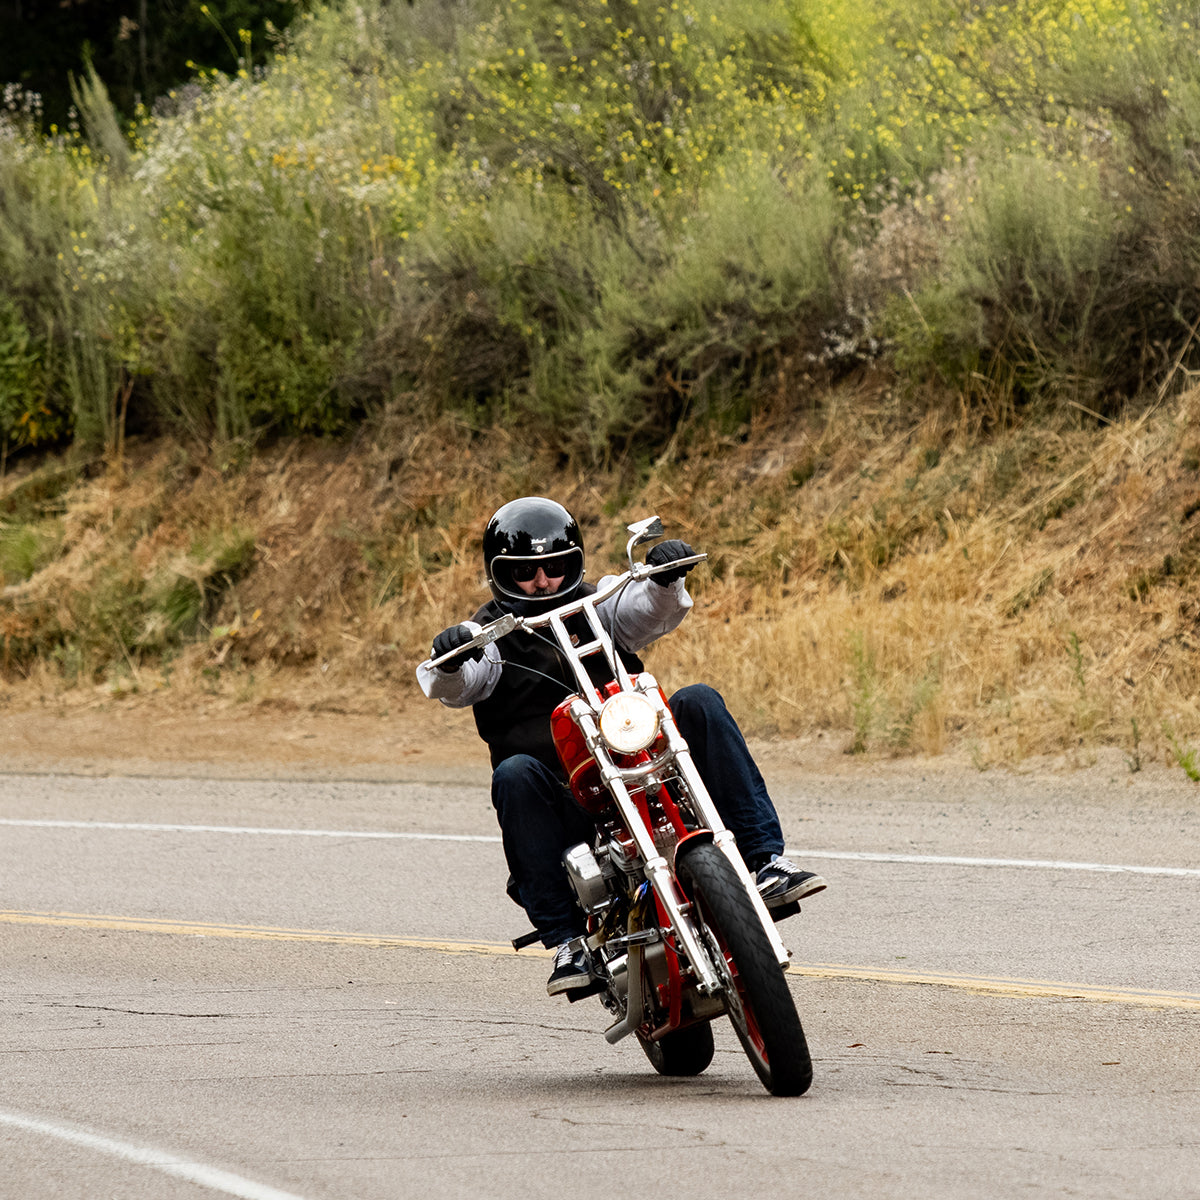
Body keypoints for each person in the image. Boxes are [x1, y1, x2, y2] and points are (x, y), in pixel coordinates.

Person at [416, 497, 826, 997]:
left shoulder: (597, 604)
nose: (543, 580)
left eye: (556, 566)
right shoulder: (489, 638)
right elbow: (451, 685)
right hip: (562, 799)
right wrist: (451, 656)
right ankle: (567, 942)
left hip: (640, 761)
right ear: (500, 575)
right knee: (514, 773)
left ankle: (765, 863)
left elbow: (645, 610)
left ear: (575, 563)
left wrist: (663, 578)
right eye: (526, 572)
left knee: (698, 701)